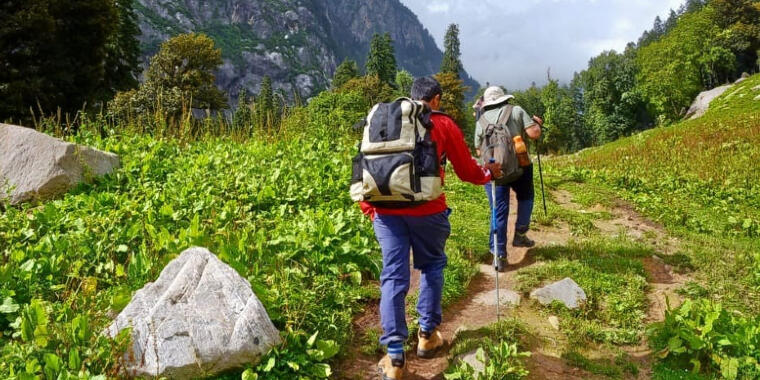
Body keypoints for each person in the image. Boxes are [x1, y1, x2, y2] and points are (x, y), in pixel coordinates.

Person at [361, 76, 502, 380]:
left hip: (385, 212)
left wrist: (370, 208)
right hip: (428, 210)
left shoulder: (384, 119)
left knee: (393, 276)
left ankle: (395, 356)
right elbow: (467, 171)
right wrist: (489, 173)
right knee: (432, 266)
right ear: (435, 99)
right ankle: (427, 335)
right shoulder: (442, 124)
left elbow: (367, 164)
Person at [474, 86, 543, 272]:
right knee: (526, 197)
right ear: (504, 98)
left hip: (495, 171)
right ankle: (520, 233)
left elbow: (479, 150)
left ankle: (499, 255)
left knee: (498, 210)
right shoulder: (516, 110)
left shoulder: (481, 119)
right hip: (520, 167)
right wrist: (537, 124)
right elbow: (533, 134)